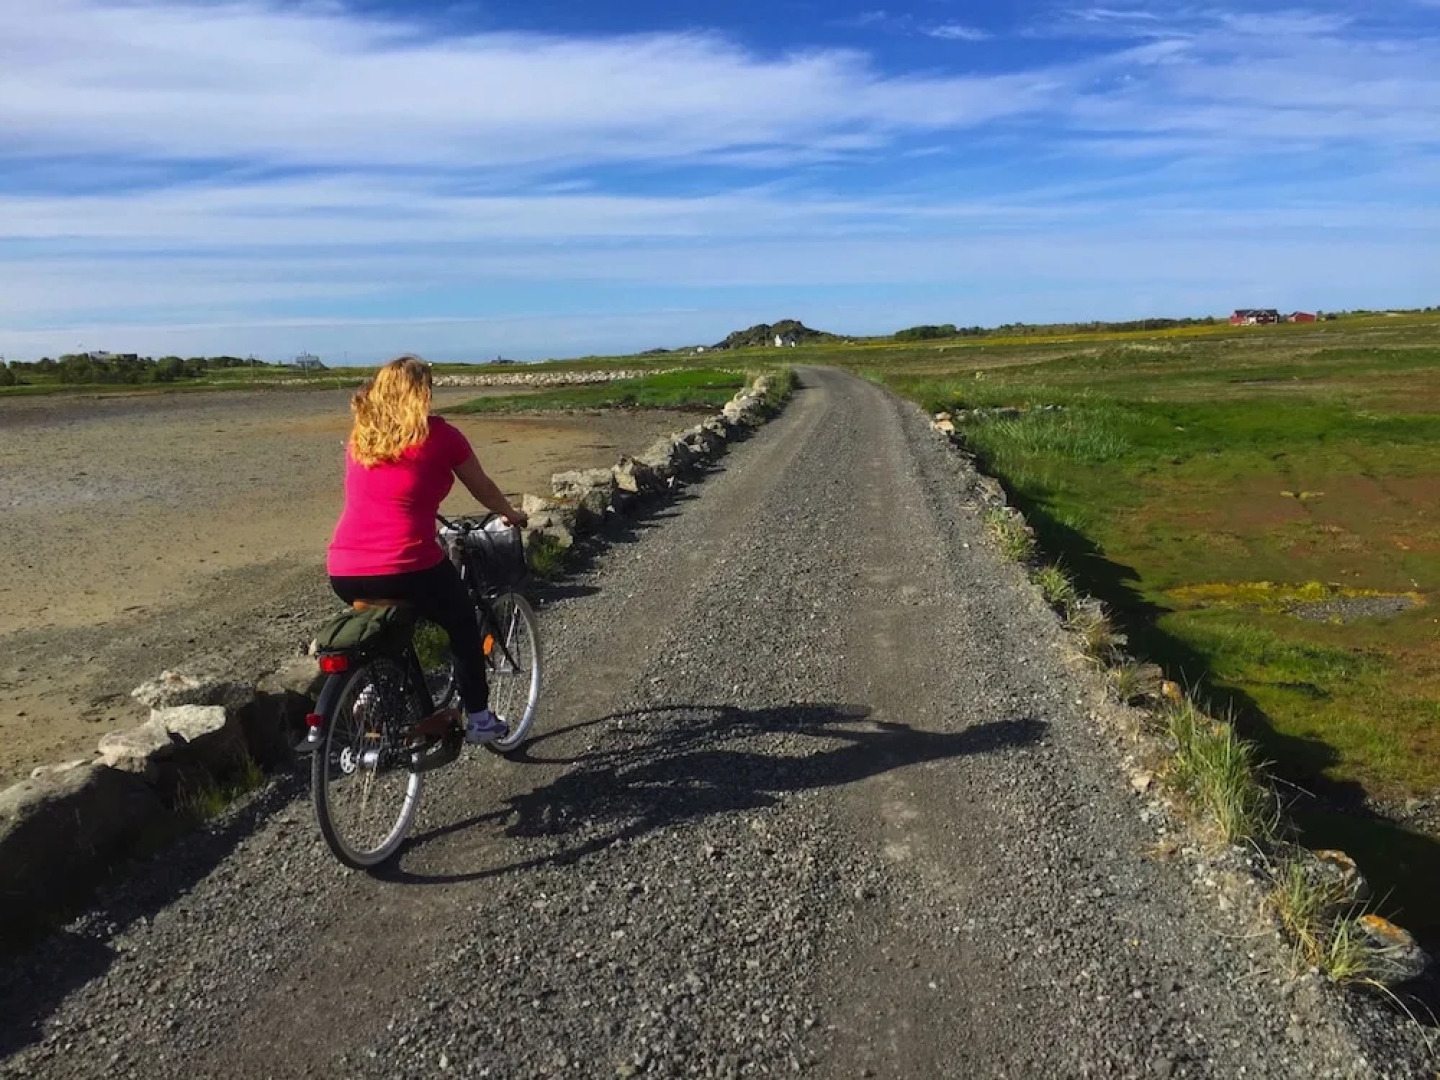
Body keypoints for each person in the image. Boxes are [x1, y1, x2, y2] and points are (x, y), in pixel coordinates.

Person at [327, 355, 528, 744]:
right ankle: (481, 718)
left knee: (390, 628)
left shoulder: (361, 438)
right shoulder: (440, 435)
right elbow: (482, 487)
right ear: (422, 393)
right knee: (462, 624)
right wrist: (510, 513)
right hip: (405, 562)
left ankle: (375, 691)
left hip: (345, 566)